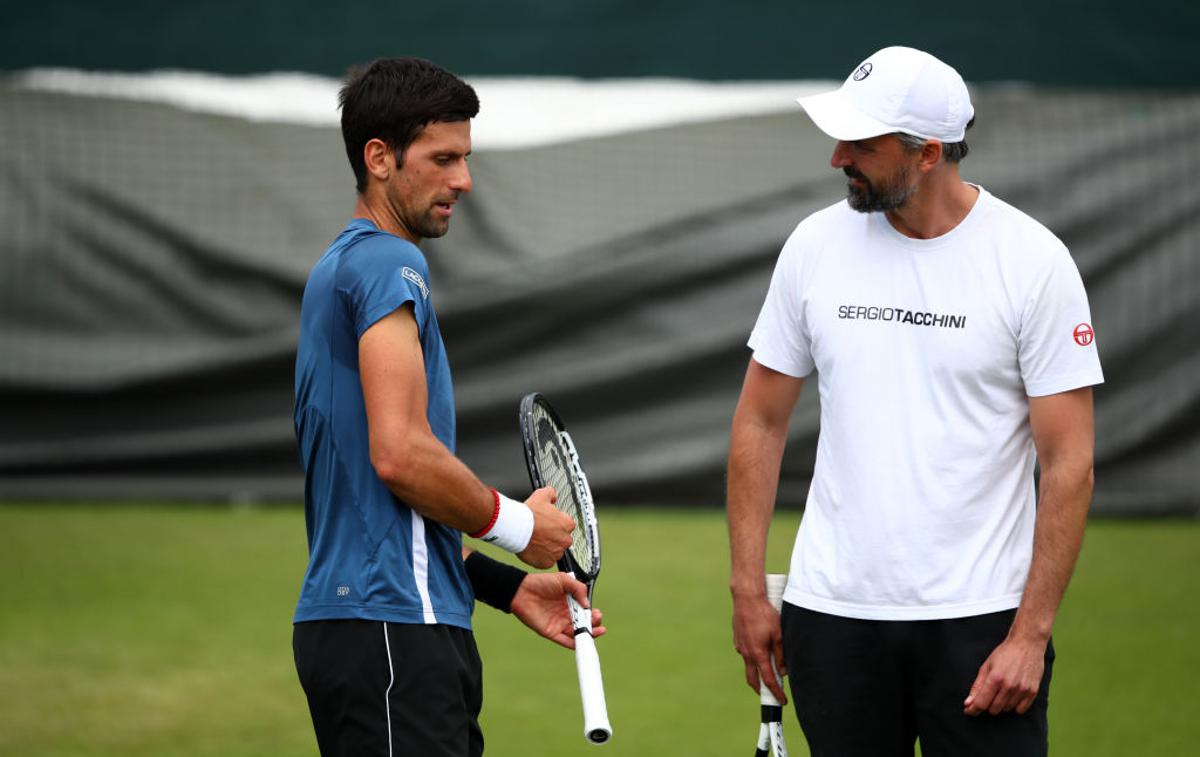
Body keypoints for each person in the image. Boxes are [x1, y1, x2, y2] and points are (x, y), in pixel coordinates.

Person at [727, 46, 1103, 756]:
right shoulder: (812, 244)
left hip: (983, 625)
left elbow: (1069, 461)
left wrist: (1030, 633)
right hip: (831, 619)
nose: (838, 157)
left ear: (927, 153)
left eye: (861, 144)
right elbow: (760, 419)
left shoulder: (1034, 261)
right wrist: (748, 588)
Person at [291, 57, 604, 757]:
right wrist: (522, 525)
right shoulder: (385, 264)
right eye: (443, 158)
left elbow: (385, 516)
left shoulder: (343, 268)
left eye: (465, 158)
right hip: (392, 636)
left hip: (380, 629)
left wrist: (507, 588)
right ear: (379, 158)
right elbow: (400, 454)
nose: (463, 180)